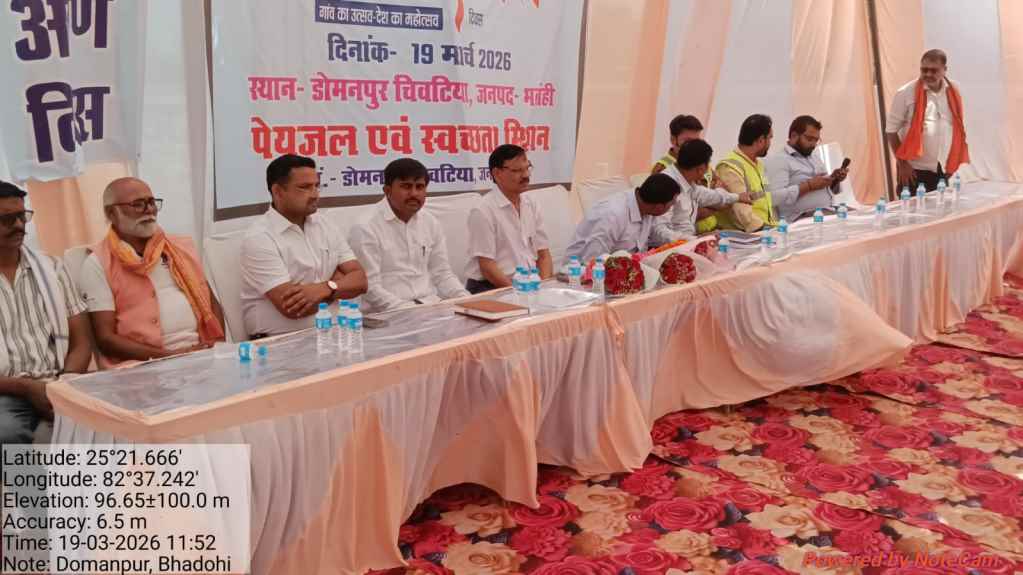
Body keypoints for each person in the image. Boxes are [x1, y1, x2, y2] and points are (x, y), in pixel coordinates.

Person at [78, 178, 225, 367]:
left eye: (151, 202)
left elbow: (211, 302)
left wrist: (217, 346)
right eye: (138, 204)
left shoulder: (180, 248)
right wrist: (169, 356)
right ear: (111, 213)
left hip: (201, 353)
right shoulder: (98, 263)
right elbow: (106, 339)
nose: (149, 210)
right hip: (142, 366)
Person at [0, 181, 92, 444]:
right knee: (6, 433)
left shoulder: (52, 268)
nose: (19, 225)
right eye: (7, 219)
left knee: (106, 423)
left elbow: (82, 341)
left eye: (22, 216)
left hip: (60, 382)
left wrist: (64, 385)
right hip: (6, 391)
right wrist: (26, 387)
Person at [241, 154, 367, 338]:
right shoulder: (259, 238)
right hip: (281, 340)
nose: (315, 194)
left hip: (334, 332)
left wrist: (325, 288)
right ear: (278, 191)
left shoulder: (326, 224)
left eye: (316, 186)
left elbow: (361, 281)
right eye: (305, 187)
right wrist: (340, 286)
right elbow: (293, 308)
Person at [349, 158, 469, 313]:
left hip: (429, 306)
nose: (414, 193)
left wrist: (466, 299)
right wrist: (410, 311)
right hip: (386, 314)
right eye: (406, 186)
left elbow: (442, 274)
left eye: (420, 187)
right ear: (387, 190)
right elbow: (370, 287)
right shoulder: (366, 227)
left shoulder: (430, 222)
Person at [465, 145, 553, 294]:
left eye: (527, 168)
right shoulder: (483, 210)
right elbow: (487, 267)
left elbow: (543, 255)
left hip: (529, 285)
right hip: (491, 287)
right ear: (497, 173)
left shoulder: (531, 204)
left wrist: (543, 289)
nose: (525, 175)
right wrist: (519, 293)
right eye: (517, 170)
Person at [886, 49, 969, 191]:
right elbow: (891, 131)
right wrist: (903, 164)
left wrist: (951, 165)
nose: (928, 74)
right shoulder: (906, 93)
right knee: (912, 206)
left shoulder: (953, 90)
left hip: (942, 168)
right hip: (913, 169)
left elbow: (954, 125)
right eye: (924, 70)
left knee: (941, 205)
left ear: (944, 70)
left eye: (933, 70)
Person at [565, 173, 680, 264]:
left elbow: (655, 233)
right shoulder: (612, 215)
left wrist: (679, 239)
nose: (672, 207)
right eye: (671, 204)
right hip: (580, 274)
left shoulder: (646, 205)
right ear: (659, 207)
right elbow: (592, 260)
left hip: (628, 267)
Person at [652, 139, 752, 244]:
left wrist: (737, 197)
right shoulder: (666, 184)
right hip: (670, 247)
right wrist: (695, 239)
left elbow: (707, 195)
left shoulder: (686, 179)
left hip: (688, 242)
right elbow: (658, 232)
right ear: (701, 168)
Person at [764, 116, 849, 222]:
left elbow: (829, 191)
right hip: (800, 217)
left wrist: (834, 180)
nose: (813, 144)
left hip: (826, 210)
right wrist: (808, 186)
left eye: (816, 140)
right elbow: (773, 198)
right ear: (794, 136)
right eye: (809, 139)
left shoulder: (814, 157)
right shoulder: (779, 160)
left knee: (860, 218)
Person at [714, 114, 777, 232]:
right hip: (745, 236)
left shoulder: (758, 165)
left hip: (764, 232)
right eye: (770, 138)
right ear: (760, 140)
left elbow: (766, 205)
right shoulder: (730, 167)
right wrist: (768, 230)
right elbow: (741, 213)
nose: (770, 143)